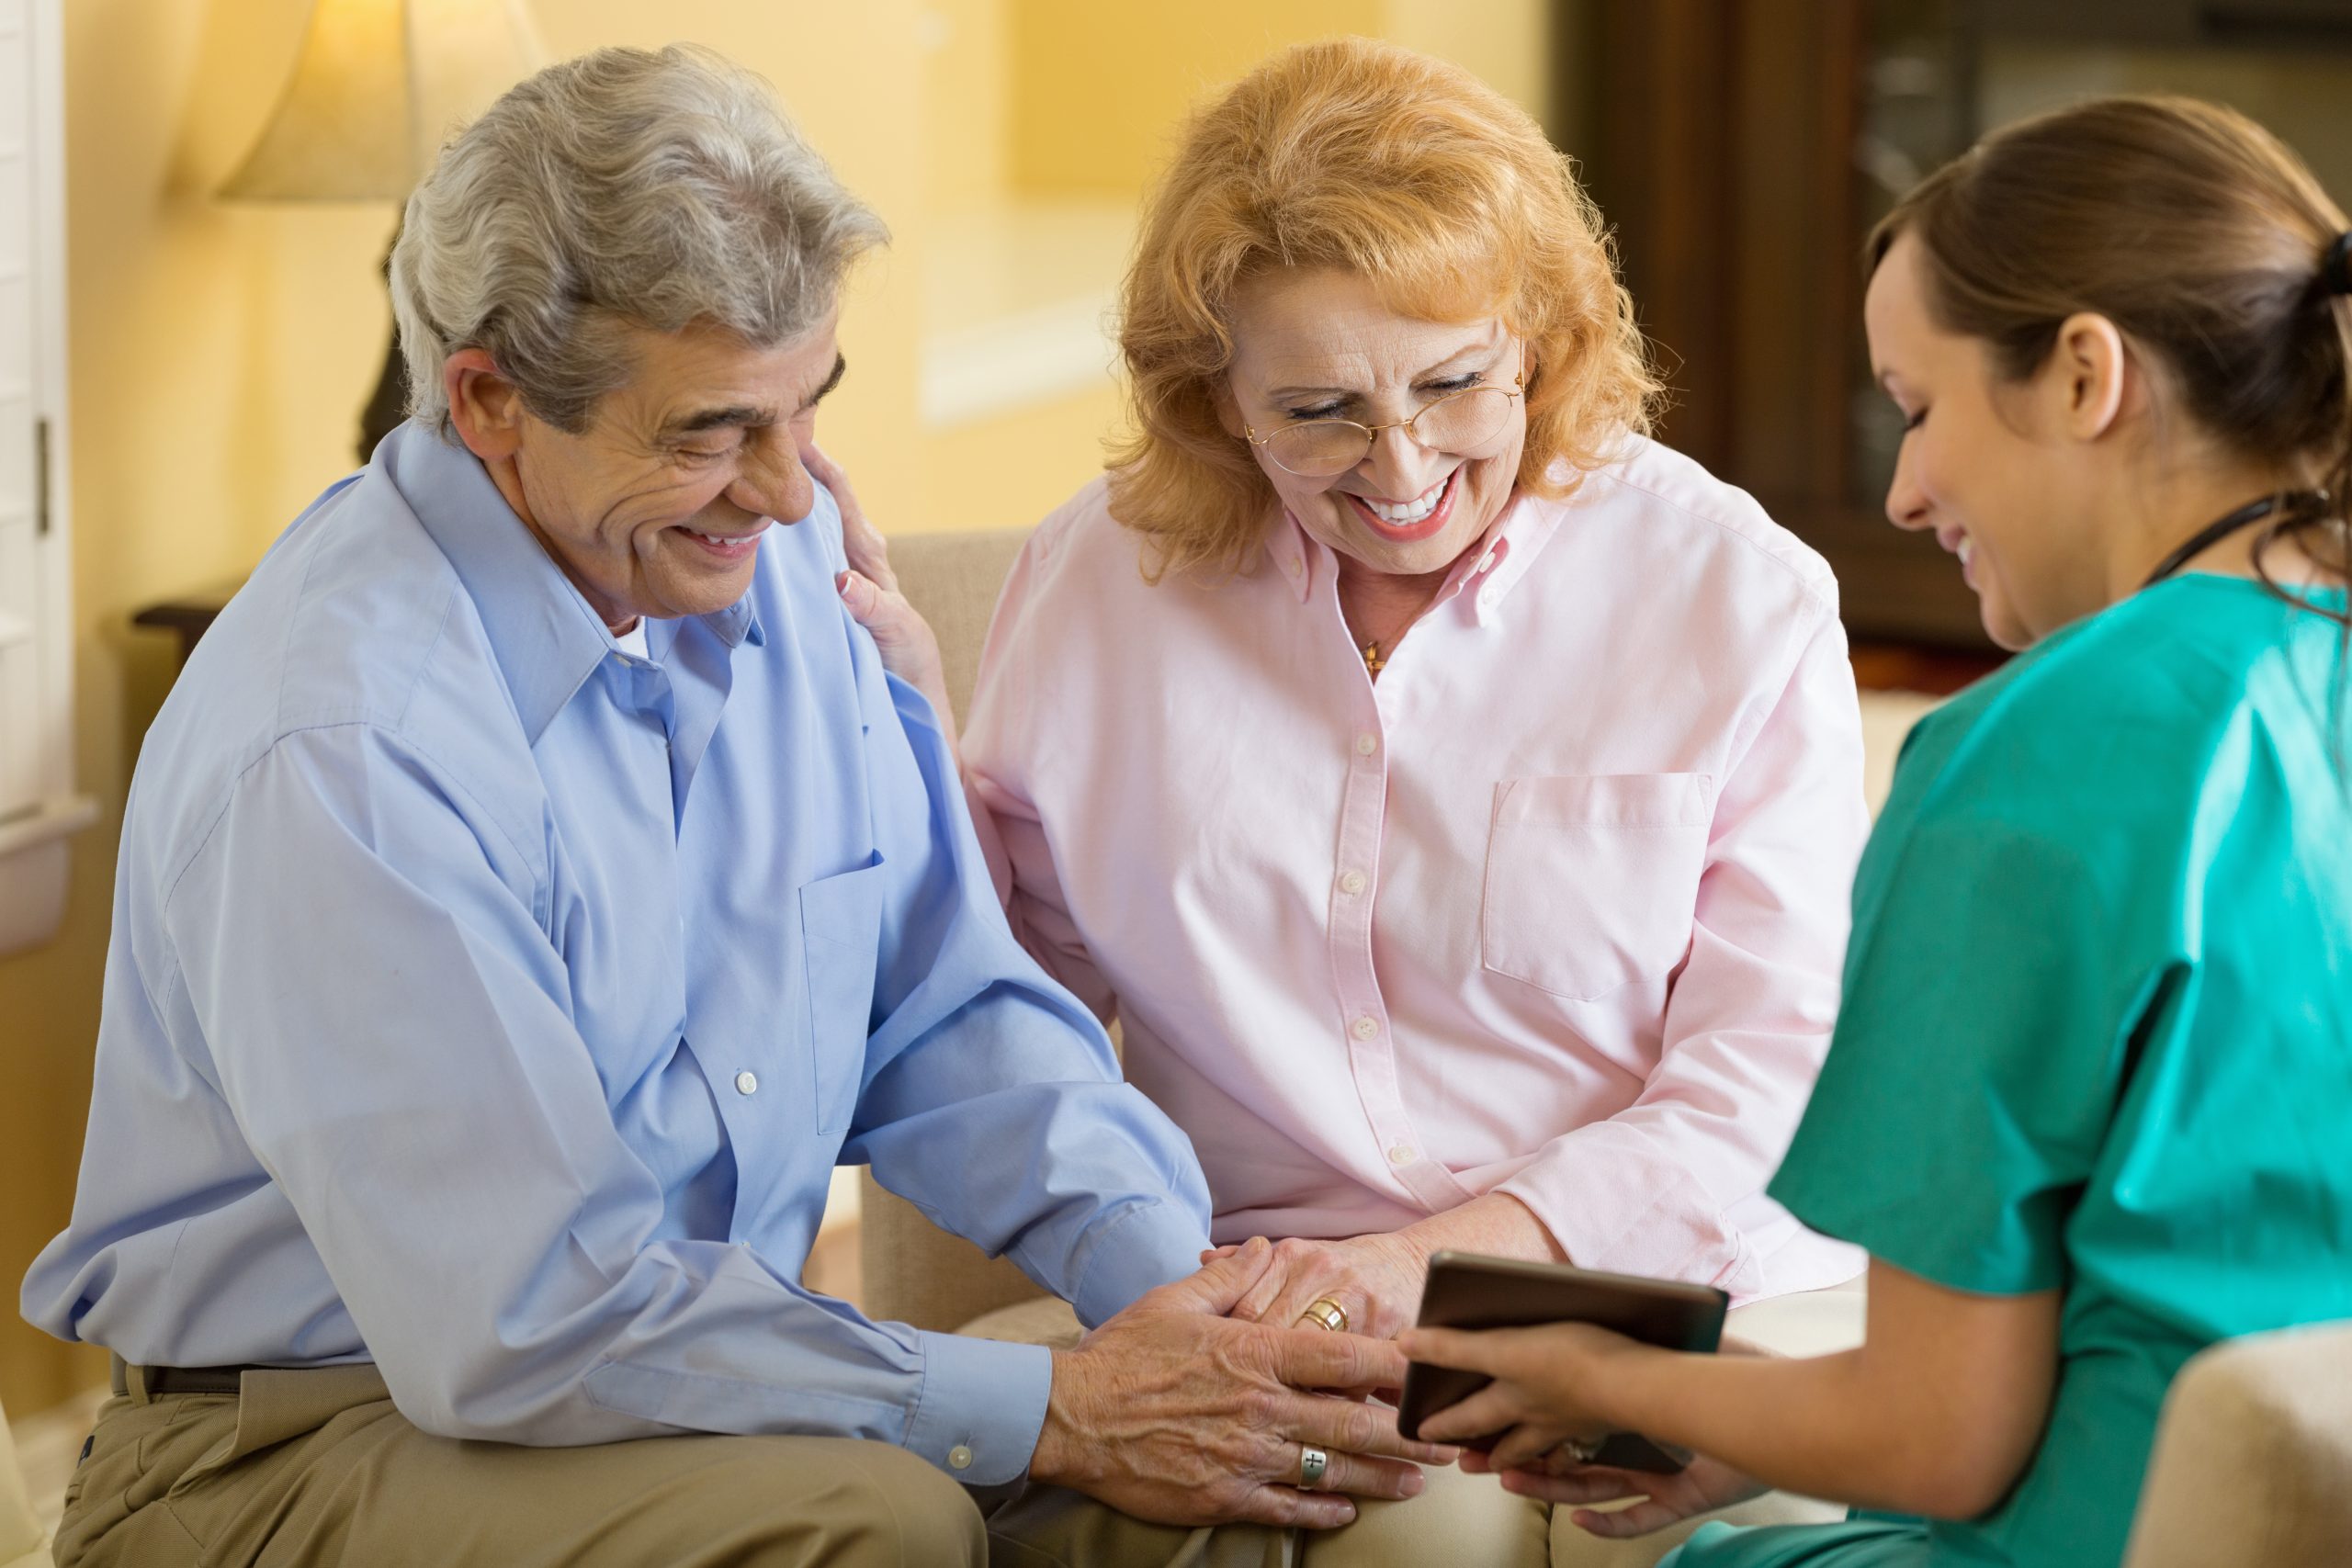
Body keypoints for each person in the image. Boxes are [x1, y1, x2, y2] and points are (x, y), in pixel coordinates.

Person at [20, 46, 1452, 1568]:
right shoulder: (346, 745)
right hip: (299, 1441)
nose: (784, 495)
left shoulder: (767, 562)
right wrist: (1060, 1407)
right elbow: (531, 1319)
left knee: (1257, 1492)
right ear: (491, 398)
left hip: (668, 1395)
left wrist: (1174, 1302)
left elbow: (948, 1015)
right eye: (711, 431)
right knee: (877, 1523)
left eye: (805, 408)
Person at [844, 36, 1870, 1567]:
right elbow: (995, 1016)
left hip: (1674, 1276)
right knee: (1405, 1535)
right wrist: (906, 755)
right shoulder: (1096, 588)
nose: (1400, 468)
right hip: (1253, 1281)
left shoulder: (1735, 596)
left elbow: (1770, 1076)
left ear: (1539, 339)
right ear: (1215, 399)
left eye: (1454, 384)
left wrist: (1437, 1264)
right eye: (1316, 409)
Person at [1398, 95, 2352, 1568]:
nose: (1906, 492)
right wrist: (1747, 1411)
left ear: (2086, 375)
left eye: (1917, 408)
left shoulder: (2031, 756)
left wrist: (1597, 1375)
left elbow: (1940, 1440)